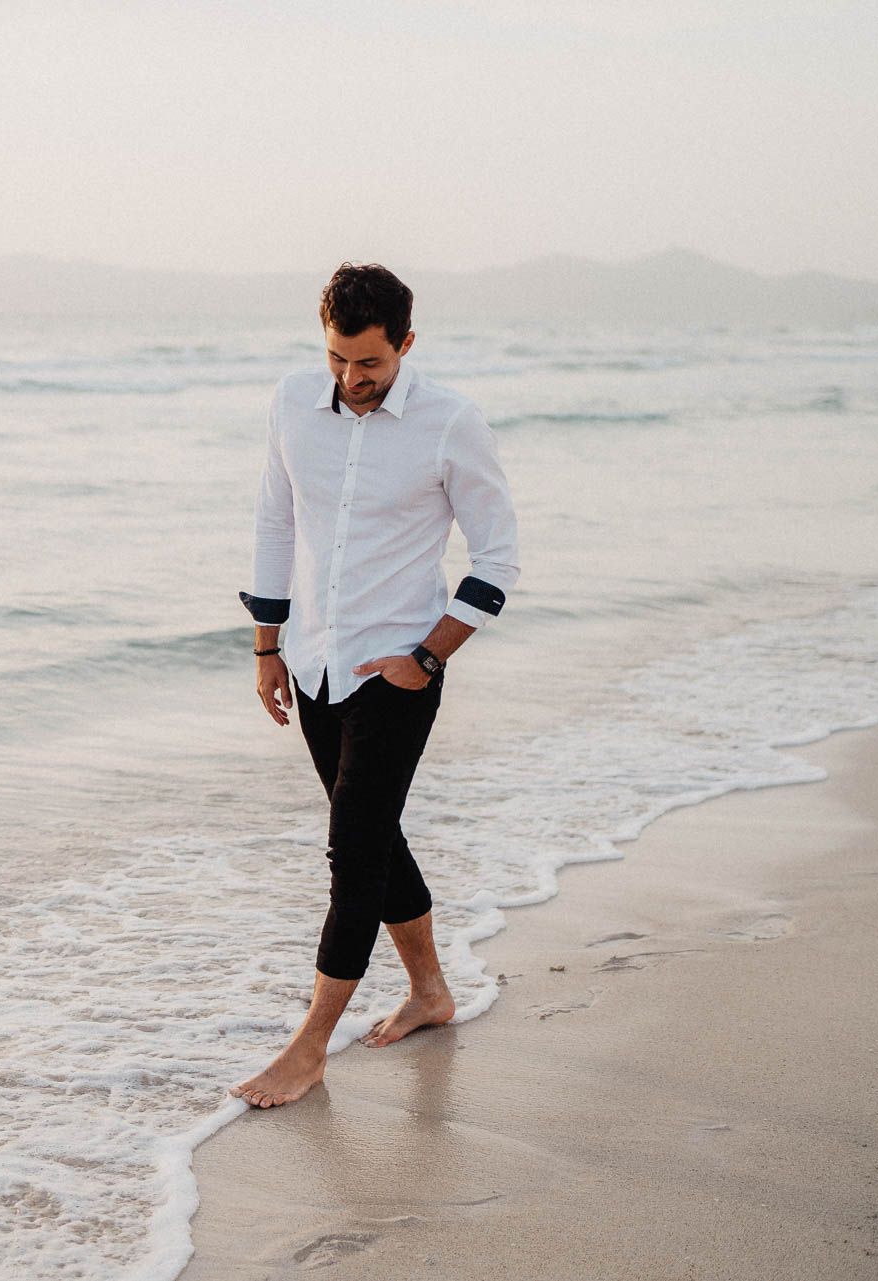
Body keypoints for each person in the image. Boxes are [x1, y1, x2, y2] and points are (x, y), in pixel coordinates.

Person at [229, 262, 519, 1109]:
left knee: (352, 850)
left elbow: (497, 557)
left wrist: (425, 657)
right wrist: (267, 646)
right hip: (314, 661)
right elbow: (275, 520)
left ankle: (310, 1046)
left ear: (405, 346)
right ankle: (432, 993)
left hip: (398, 669)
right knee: (376, 836)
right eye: (337, 360)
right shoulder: (291, 402)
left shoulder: (450, 422)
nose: (351, 380)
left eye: (370, 364)